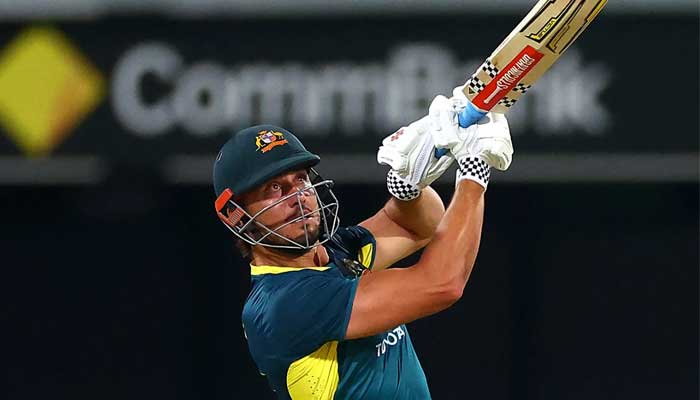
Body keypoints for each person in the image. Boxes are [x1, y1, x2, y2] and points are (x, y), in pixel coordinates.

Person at [212, 89, 513, 399]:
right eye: (274, 188)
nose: (297, 196)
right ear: (236, 215)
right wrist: (474, 172)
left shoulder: (335, 254)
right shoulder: (283, 304)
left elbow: (418, 225)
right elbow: (442, 283)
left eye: (301, 179)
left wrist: (407, 186)